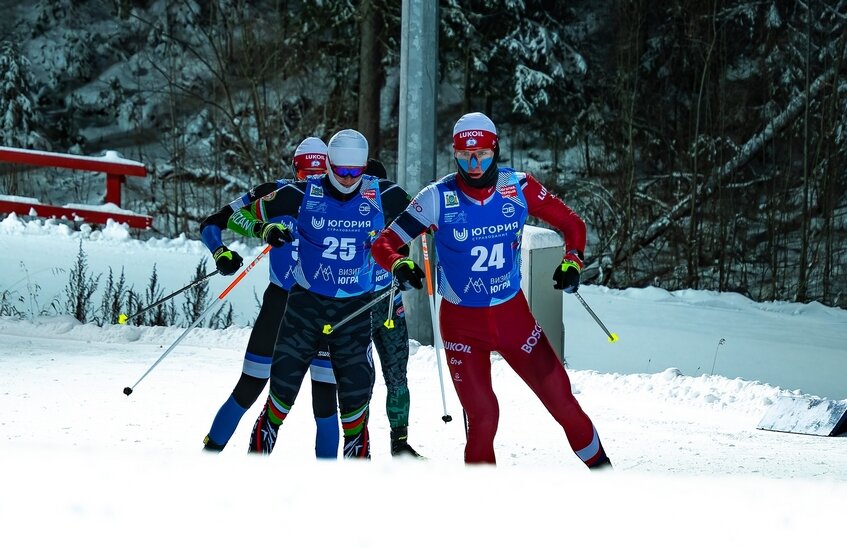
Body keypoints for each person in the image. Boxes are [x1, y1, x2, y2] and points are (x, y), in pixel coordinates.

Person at [370, 112, 612, 468]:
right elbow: (384, 242)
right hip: (462, 326)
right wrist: (399, 264)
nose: (474, 163)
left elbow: (572, 224)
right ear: (454, 153)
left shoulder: (519, 186)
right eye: (465, 155)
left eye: (482, 153)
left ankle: (606, 474)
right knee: (484, 417)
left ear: (495, 149)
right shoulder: (437, 197)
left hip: (512, 317)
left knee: (562, 401)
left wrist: (572, 261)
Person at [242, 129, 412, 458]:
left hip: (355, 312)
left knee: (355, 403)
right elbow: (239, 213)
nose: (348, 179)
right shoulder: (302, 193)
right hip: (305, 309)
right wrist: (262, 228)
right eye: (341, 171)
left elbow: (430, 217)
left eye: (356, 172)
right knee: (281, 396)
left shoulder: (383, 194)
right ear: (328, 165)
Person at [198, 137, 340, 458]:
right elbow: (215, 221)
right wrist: (224, 250)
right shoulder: (279, 193)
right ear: (295, 171)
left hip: (323, 310)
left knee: (325, 403)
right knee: (249, 389)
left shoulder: (345, 198)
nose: (312, 183)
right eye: (306, 175)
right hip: (281, 307)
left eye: (320, 175)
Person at [365, 158, 423, 458]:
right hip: (361, 305)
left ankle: (400, 444)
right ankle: (360, 444)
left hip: (390, 304)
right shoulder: (352, 214)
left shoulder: (395, 214)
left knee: (397, 375)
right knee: (363, 378)